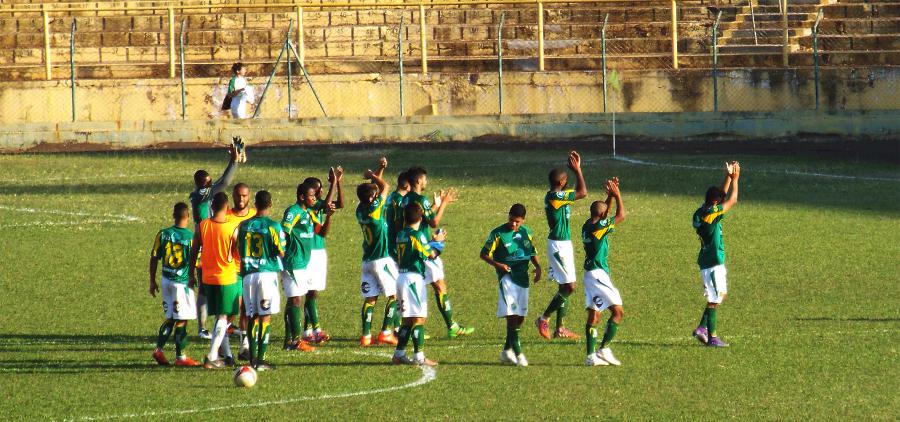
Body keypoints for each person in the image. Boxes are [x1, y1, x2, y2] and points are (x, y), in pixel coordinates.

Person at [401, 166, 474, 338]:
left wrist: (435, 204)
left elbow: (419, 216)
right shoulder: (421, 198)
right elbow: (433, 221)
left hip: (411, 244)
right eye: (425, 179)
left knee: (428, 286)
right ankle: (450, 326)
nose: (426, 182)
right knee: (439, 286)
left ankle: (407, 326)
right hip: (423, 245)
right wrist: (445, 203)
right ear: (419, 181)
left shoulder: (406, 199)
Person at [189, 140, 244, 339]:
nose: (212, 184)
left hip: (207, 236)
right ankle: (205, 327)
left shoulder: (198, 194)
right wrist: (233, 162)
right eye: (209, 182)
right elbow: (224, 183)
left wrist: (236, 161)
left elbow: (220, 182)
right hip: (208, 239)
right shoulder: (204, 193)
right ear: (205, 184)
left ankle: (221, 323)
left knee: (214, 283)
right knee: (208, 286)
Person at [480, 204, 541, 368]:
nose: (514, 224)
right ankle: (519, 354)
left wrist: (538, 267)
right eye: (512, 220)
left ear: (523, 220)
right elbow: (483, 254)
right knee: (512, 316)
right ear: (508, 216)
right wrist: (498, 265)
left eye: (517, 222)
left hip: (523, 278)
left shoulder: (526, 232)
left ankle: (506, 351)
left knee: (521, 318)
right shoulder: (497, 234)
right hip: (507, 279)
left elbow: (532, 252)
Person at [535, 151, 588, 340]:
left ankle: (560, 329)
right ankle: (543, 318)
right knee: (570, 287)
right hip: (559, 246)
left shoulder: (557, 195)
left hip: (563, 243)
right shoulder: (556, 198)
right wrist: (578, 170)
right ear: (562, 183)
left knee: (564, 287)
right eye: (566, 180)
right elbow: (583, 192)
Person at [233, 190, 284, 371]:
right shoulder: (273, 226)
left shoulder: (244, 225)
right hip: (266, 274)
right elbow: (281, 251)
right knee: (265, 316)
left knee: (251, 315)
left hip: (247, 276)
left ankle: (252, 358)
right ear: (270, 204)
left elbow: (237, 248)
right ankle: (261, 359)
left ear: (255, 204)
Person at [281, 181, 334, 352]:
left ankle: (289, 340)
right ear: (302, 197)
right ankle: (296, 341)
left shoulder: (308, 213)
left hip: (302, 263)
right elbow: (283, 232)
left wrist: (329, 217)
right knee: (296, 299)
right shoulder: (293, 212)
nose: (314, 198)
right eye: (312, 196)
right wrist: (282, 254)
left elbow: (322, 233)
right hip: (293, 262)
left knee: (293, 300)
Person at [189, 192, 241, 369]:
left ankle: (227, 356)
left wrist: (190, 274)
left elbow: (194, 251)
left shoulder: (202, 226)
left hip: (207, 278)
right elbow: (238, 252)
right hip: (227, 277)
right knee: (223, 317)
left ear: (212, 207)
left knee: (220, 316)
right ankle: (212, 356)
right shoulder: (232, 227)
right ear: (227, 207)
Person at [692, 161, 740, 348]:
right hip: (713, 262)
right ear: (715, 202)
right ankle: (712, 337)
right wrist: (735, 179)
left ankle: (702, 328)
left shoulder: (699, 212)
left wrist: (727, 176)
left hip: (707, 260)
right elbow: (732, 199)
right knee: (714, 299)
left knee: (720, 295)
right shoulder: (712, 214)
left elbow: (719, 198)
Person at [392, 203, 445, 367]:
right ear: (421, 217)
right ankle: (419, 357)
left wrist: (431, 242)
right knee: (419, 319)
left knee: (407, 320)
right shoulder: (417, 235)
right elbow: (429, 255)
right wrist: (439, 243)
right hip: (413, 279)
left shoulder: (401, 234)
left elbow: (415, 249)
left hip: (401, 277)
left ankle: (399, 354)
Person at [149, 202, 201, 367]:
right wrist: (196, 278)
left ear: (173, 215)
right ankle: (181, 357)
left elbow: (154, 256)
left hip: (166, 281)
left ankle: (159, 349)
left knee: (171, 317)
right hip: (182, 284)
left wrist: (152, 280)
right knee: (182, 319)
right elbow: (198, 262)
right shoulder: (191, 238)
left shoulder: (163, 234)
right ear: (188, 216)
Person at [355, 157, 400, 347]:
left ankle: (366, 336)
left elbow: (375, 189)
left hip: (367, 262)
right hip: (382, 260)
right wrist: (372, 174)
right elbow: (385, 187)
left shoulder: (360, 209)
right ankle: (385, 332)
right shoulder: (375, 208)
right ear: (372, 198)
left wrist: (379, 169)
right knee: (394, 294)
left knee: (371, 298)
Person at [583, 178, 627, 366]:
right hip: (599, 275)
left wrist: (608, 197)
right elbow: (621, 215)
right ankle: (604, 349)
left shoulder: (587, 225)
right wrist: (617, 195)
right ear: (602, 216)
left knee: (595, 315)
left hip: (589, 274)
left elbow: (604, 213)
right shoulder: (600, 227)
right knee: (618, 312)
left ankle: (591, 356)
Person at [300, 168, 343, 344]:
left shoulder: (317, 204)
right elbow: (327, 205)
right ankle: (316, 329)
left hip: (320, 252)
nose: (321, 191)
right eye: (318, 190)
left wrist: (338, 183)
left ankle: (307, 330)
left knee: (313, 292)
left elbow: (340, 203)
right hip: (310, 252)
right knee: (310, 291)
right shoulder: (311, 207)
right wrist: (333, 182)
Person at [225, 183, 257, 361]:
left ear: (249, 196)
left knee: (247, 309)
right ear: (233, 196)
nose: (241, 199)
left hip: (250, 269)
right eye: (238, 196)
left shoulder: (254, 215)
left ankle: (244, 345)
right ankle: (223, 347)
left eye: (244, 196)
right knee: (232, 309)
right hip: (232, 270)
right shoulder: (227, 216)